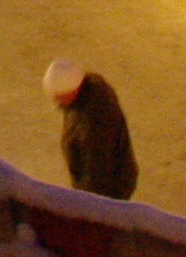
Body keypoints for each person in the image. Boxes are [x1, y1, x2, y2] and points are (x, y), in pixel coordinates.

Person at [44, 59, 137, 199]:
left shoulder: (91, 126)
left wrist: (88, 203)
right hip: (118, 178)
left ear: (72, 90)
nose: (56, 100)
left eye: (59, 96)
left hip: (108, 192)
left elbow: (96, 176)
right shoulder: (92, 86)